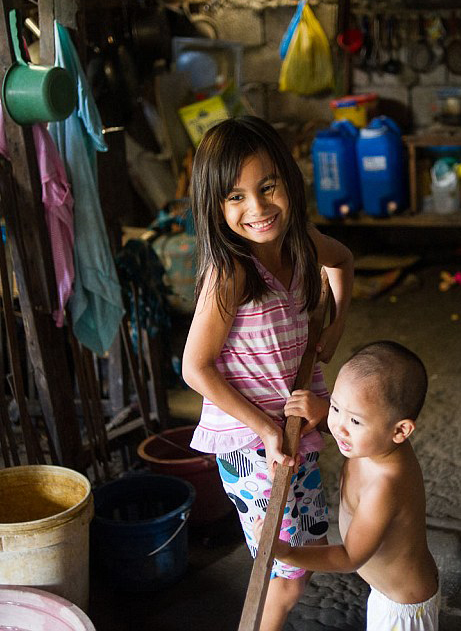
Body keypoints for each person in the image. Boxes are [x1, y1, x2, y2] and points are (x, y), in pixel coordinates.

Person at [181, 116, 354, 631]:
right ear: (214, 206)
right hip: (251, 441)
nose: (257, 209)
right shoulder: (231, 272)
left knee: (295, 564)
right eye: (235, 197)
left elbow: (343, 260)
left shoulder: (300, 242)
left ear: (289, 182)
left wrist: (336, 326)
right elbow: (195, 368)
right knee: (280, 575)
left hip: (290, 434)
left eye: (268, 187)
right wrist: (262, 426)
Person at [256, 341, 440, 631]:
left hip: (403, 610)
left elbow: (349, 557)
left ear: (400, 430)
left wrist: (286, 552)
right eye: (336, 407)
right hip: (386, 590)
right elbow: (353, 425)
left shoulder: (385, 486)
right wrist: (324, 410)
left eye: (354, 419)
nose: (339, 425)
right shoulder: (375, 443)